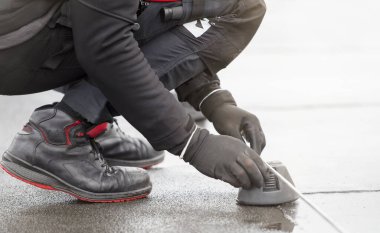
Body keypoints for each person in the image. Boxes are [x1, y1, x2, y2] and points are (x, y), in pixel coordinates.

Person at [0, 0, 268, 203]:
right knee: (241, 8)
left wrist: (211, 98)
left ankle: (92, 120)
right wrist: (192, 143)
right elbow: (106, 45)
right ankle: (61, 133)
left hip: (24, 33)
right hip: (13, 44)